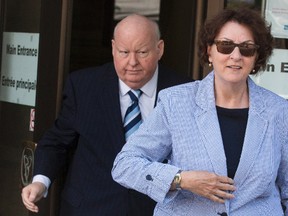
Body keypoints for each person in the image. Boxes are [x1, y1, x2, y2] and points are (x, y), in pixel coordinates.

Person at [112, 7, 288, 216]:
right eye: (225, 46)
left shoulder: (279, 111)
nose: (236, 55)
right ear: (209, 51)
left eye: (247, 48)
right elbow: (125, 165)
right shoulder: (175, 102)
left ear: (256, 56)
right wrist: (181, 179)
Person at [21, 14, 191, 216]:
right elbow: (58, 141)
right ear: (113, 49)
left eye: (142, 52)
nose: (132, 62)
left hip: (155, 209)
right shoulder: (84, 86)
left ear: (159, 49)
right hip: (91, 207)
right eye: (124, 52)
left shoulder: (183, 91)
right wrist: (40, 182)